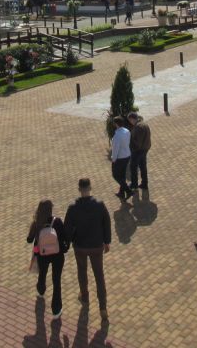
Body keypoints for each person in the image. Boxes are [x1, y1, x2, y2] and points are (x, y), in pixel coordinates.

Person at [64, 178, 111, 321]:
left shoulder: (73, 208)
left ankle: (84, 297)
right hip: (96, 246)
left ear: (79, 189)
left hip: (80, 246)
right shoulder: (99, 205)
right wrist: (106, 241)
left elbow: (67, 229)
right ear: (90, 188)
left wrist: (68, 241)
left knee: (82, 271)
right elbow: (107, 223)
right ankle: (103, 308)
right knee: (99, 276)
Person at [27, 199, 68, 320]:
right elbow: (65, 237)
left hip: (42, 254)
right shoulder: (58, 221)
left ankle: (41, 290)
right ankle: (56, 309)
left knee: (43, 274)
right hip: (57, 255)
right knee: (56, 281)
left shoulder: (36, 223)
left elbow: (29, 240)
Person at [110, 116, 132, 200]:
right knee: (122, 175)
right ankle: (121, 193)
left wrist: (113, 159)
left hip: (120, 158)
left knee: (115, 175)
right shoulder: (127, 131)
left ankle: (128, 190)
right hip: (127, 155)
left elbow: (115, 149)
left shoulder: (117, 136)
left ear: (116, 124)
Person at [127, 112, 150, 190]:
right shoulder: (144, 124)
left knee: (133, 166)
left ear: (132, 119)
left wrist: (132, 147)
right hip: (145, 148)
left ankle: (134, 184)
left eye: (130, 120)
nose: (130, 122)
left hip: (138, 150)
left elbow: (137, 142)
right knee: (143, 166)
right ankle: (144, 183)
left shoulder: (138, 127)